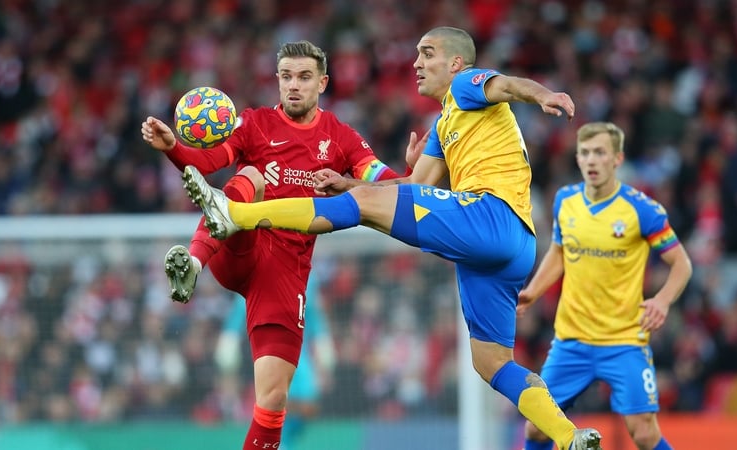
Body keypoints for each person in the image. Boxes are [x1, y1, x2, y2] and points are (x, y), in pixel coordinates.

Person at [180, 26, 602, 450]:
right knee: (491, 363)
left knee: (361, 206)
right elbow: (411, 185)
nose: (417, 63)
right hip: (514, 247)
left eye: (428, 53)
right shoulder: (445, 125)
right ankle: (570, 436)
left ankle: (235, 214)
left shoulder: (465, 85)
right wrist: (349, 184)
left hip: (490, 215)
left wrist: (544, 95)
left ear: (456, 63)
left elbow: (507, 85)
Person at [141, 40, 416, 449]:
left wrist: (411, 172)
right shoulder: (254, 123)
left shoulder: (340, 138)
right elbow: (208, 163)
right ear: (277, 80)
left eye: (304, 77)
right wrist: (172, 148)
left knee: (272, 399)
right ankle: (193, 264)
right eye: (286, 76)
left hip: (284, 275)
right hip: (241, 247)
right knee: (250, 178)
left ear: (322, 83)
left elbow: (386, 183)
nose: (293, 85)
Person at [516, 122, 693, 450]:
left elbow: (681, 263)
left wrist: (662, 300)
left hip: (623, 340)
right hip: (572, 339)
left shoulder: (642, 210)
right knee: (537, 427)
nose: (591, 160)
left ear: (617, 159)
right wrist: (533, 292)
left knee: (643, 433)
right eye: (585, 153)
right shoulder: (565, 201)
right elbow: (559, 252)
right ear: (577, 158)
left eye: (600, 153)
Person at [216, 272, 334, 450]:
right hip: (267, 351)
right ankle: (277, 442)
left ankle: (280, 442)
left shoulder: (307, 276)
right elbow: (240, 310)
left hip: (298, 353)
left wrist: (322, 343)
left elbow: (314, 315)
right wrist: (230, 338)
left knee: (303, 404)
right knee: (274, 401)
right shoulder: (256, 271)